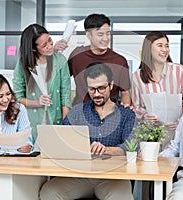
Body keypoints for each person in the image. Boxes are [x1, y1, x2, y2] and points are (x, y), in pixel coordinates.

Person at [39, 62, 136, 200]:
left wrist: (105, 149)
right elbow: (61, 141)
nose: (96, 94)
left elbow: (130, 147)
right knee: (49, 192)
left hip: (114, 177)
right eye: (92, 89)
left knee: (121, 197)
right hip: (79, 176)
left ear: (111, 85)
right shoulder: (77, 112)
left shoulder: (126, 114)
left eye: (101, 88)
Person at [13, 23, 71, 144]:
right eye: (44, 45)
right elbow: (18, 97)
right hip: (31, 121)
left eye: (50, 40)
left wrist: (66, 124)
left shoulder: (60, 60)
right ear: (34, 49)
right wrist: (37, 102)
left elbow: (65, 94)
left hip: (55, 119)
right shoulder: (23, 64)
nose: (50, 46)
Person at [131, 31, 183, 149]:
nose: (165, 49)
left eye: (167, 46)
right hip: (150, 135)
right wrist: (144, 116)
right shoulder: (137, 76)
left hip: (175, 133)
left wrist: (180, 121)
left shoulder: (179, 71)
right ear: (149, 49)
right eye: (160, 45)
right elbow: (136, 107)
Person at [68, 13, 131, 106]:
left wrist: (126, 108)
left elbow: (125, 93)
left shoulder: (120, 61)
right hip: (80, 115)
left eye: (108, 34)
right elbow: (61, 81)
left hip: (109, 116)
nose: (105, 38)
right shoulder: (77, 56)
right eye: (100, 34)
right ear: (88, 35)